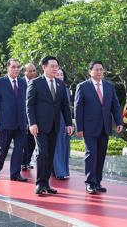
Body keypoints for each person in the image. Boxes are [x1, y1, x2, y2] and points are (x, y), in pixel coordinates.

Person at [74, 61, 123, 194]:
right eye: (96, 69)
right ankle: (90, 182)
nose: (100, 72)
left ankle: (97, 182)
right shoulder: (82, 87)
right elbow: (78, 108)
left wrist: (119, 122)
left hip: (105, 126)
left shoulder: (109, 86)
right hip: (89, 127)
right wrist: (79, 127)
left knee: (101, 155)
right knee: (91, 154)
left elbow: (115, 105)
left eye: (101, 69)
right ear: (90, 71)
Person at [27, 56, 73, 195]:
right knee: (42, 153)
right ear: (44, 67)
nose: (55, 69)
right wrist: (32, 123)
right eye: (52, 66)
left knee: (50, 154)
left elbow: (65, 106)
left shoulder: (60, 84)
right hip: (39, 126)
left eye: (56, 66)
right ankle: (40, 183)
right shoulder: (36, 83)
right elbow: (29, 105)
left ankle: (46, 183)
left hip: (55, 126)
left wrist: (69, 123)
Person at [0, 58, 28, 182]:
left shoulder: (23, 82)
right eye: (13, 67)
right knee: (2, 148)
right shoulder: (0, 82)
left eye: (18, 67)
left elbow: (26, 103)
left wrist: (28, 121)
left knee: (19, 150)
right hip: (5, 122)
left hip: (21, 123)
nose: (16, 69)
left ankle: (15, 174)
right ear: (8, 68)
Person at [53, 69, 71, 180]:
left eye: (61, 74)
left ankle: (62, 170)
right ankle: (59, 172)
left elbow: (67, 107)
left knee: (65, 146)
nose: (60, 76)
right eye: (57, 74)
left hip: (65, 120)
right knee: (57, 146)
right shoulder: (51, 88)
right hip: (55, 120)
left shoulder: (66, 89)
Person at [21, 63, 37, 171]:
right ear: (25, 72)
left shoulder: (38, 83)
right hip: (22, 117)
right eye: (29, 71)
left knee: (31, 142)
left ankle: (27, 161)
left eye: (34, 71)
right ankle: (22, 161)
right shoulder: (20, 82)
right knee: (23, 142)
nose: (32, 73)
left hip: (34, 118)